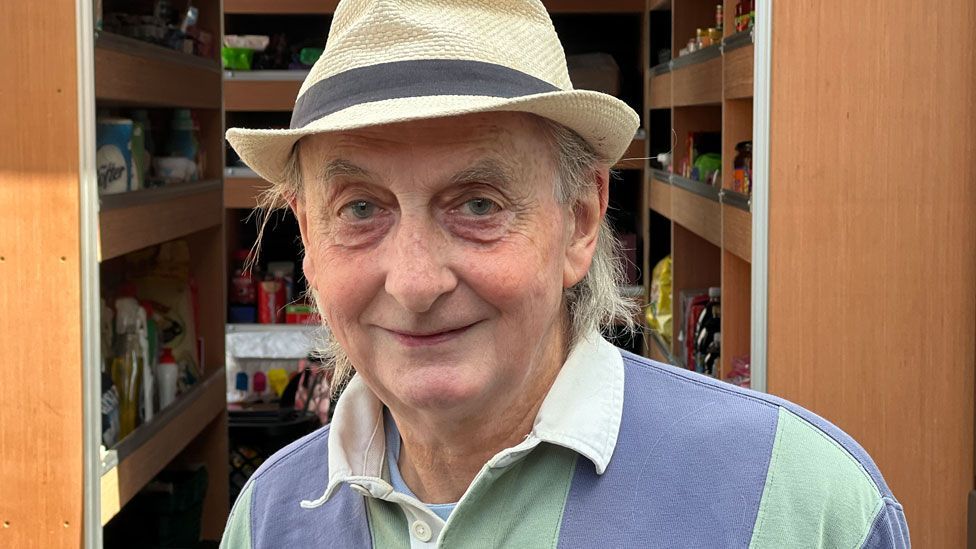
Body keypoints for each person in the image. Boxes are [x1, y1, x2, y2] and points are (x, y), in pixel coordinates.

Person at [220, 0, 909, 547]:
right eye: (361, 207)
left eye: (479, 203)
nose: (414, 282)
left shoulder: (801, 507)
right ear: (309, 237)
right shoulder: (269, 518)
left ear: (581, 220)